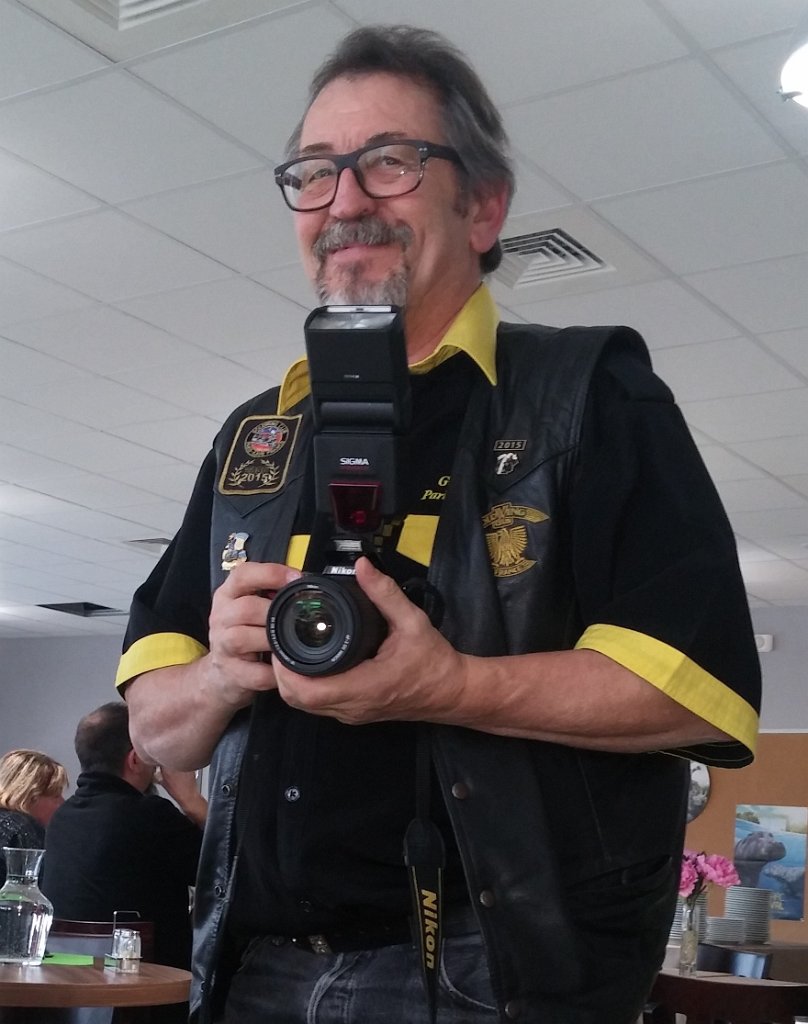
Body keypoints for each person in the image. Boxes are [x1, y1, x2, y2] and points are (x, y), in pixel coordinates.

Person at [116, 24, 762, 1024]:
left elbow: (699, 691)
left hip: (489, 974)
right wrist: (220, 674)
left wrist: (450, 686)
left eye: (391, 161)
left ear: (484, 205)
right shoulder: (256, 436)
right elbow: (154, 723)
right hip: (253, 968)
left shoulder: (588, 397)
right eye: (315, 173)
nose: (346, 201)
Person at [41, 702, 206, 975]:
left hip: (68, 982)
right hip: (147, 985)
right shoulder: (151, 815)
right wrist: (192, 801)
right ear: (135, 759)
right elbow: (229, 870)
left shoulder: (61, 818)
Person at [0, 749, 67, 885]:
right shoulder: (23, 829)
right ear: (31, 796)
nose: (62, 802)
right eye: (56, 795)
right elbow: (31, 891)